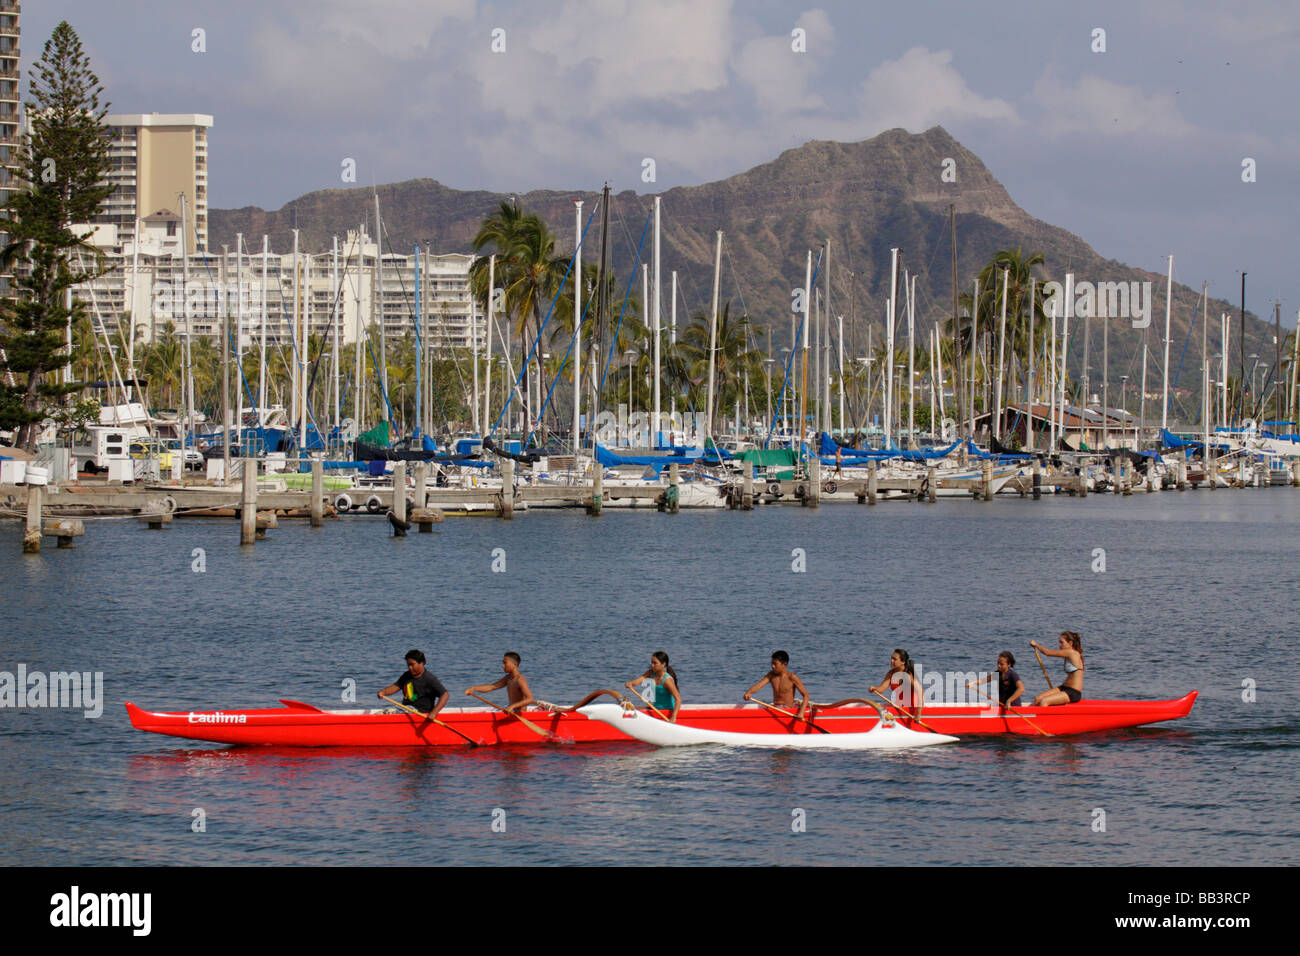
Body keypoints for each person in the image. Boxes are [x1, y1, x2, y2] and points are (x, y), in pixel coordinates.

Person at [378, 649, 449, 718]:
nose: (410, 668)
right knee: (382, 713)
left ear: (422, 663)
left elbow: (445, 695)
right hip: (407, 709)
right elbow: (395, 687)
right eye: (408, 665)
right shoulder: (406, 676)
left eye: (412, 665)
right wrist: (383, 692)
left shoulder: (429, 679)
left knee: (392, 712)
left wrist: (433, 713)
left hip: (420, 712)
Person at [744, 650, 811, 720]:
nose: (772, 666)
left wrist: (801, 712)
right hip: (775, 706)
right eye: (772, 663)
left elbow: (806, 696)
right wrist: (749, 692)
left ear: (784, 664)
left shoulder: (792, 677)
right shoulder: (771, 675)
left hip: (787, 709)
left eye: (775, 664)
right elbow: (759, 685)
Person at [464, 651, 536, 713]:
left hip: (518, 713)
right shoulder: (508, 678)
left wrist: (512, 706)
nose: (502, 666)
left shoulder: (520, 680)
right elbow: (492, 687)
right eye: (503, 663)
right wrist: (474, 688)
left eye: (505, 663)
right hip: (511, 710)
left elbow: (530, 699)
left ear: (515, 664)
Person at [625, 650, 681, 722]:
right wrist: (631, 683)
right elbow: (640, 680)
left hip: (666, 712)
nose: (652, 665)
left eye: (655, 663)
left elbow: (678, 699)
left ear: (663, 664)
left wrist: (673, 717)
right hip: (655, 709)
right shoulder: (651, 673)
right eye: (652, 662)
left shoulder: (667, 680)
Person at [1030, 632, 1084, 706]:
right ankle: (1031, 716)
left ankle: (1046, 717)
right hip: (1064, 687)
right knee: (1037, 699)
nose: (1059, 645)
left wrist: (1036, 645)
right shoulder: (1067, 654)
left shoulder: (1071, 653)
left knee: (1044, 702)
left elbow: (1047, 653)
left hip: (1073, 692)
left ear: (1070, 643)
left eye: (1062, 642)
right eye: (1059, 642)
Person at [869, 648, 922, 716]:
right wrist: (874, 688)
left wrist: (918, 714)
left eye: (895, 659)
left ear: (903, 662)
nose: (891, 661)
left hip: (913, 709)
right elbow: (881, 689)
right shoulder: (891, 674)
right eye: (891, 658)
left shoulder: (908, 675)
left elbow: (920, 693)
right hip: (899, 707)